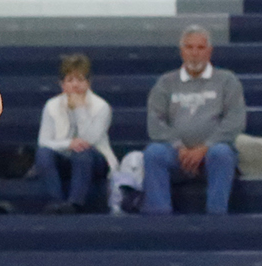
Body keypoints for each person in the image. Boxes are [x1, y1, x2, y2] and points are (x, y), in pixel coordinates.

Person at [127, 25, 245, 217]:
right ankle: (159, 219)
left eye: (200, 48)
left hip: (212, 154)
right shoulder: (165, 83)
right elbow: (155, 122)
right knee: (153, 153)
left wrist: (205, 147)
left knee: (222, 153)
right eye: (189, 47)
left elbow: (235, 120)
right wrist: (178, 147)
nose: (194, 53)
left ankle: (216, 218)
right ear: (181, 51)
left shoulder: (227, 81)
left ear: (209, 51)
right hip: (175, 155)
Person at [33, 53, 117, 215]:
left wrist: (79, 109)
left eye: (80, 80)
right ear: (62, 84)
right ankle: (56, 202)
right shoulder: (51, 105)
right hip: (64, 156)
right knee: (43, 154)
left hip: (95, 159)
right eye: (70, 80)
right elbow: (44, 141)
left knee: (82, 152)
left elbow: (89, 140)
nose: (75, 85)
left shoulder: (102, 107)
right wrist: (68, 144)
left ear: (88, 83)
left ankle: (75, 203)